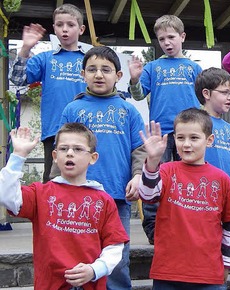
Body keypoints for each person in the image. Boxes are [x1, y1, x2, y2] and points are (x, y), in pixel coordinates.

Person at [0, 124, 129, 289]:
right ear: (54, 155)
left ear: (93, 157)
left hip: (89, 284)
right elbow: (5, 195)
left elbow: (115, 245)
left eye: (77, 149)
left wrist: (95, 269)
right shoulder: (40, 193)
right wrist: (18, 155)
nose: (69, 153)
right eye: (63, 148)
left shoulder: (104, 200)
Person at [59, 46, 146, 290]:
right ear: (82, 74)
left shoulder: (128, 110)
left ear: (118, 76)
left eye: (106, 70)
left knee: (117, 257)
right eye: (92, 69)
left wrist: (138, 176)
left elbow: (139, 149)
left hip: (117, 197)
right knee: (78, 252)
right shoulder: (72, 109)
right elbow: (63, 149)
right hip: (78, 196)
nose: (99, 75)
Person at [137, 108, 230, 288]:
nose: (186, 144)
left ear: (209, 140)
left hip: (209, 274)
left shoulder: (222, 179)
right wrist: (153, 162)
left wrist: (227, 263)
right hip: (168, 273)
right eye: (180, 138)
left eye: (194, 138)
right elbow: (147, 195)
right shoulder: (166, 170)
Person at [128, 14, 203, 245]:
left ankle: (188, 222)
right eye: (161, 39)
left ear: (182, 37)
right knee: (155, 178)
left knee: (188, 178)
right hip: (160, 134)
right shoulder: (153, 67)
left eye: (171, 37)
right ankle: (153, 228)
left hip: (188, 133)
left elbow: (203, 99)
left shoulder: (194, 67)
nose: (167, 42)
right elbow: (139, 95)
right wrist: (134, 79)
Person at [9, 4, 88, 183]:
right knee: (54, 183)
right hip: (54, 131)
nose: (65, 29)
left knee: (86, 182)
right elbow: (17, 79)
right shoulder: (45, 58)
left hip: (87, 131)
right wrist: (26, 48)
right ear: (54, 28)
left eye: (70, 25)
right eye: (60, 25)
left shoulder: (90, 58)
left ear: (81, 29)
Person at [195, 67, 230, 241]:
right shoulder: (196, 122)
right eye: (224, 93)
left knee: (227, 252)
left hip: (227, 199)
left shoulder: (229, 128)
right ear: (206, 93)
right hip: (204, 198)